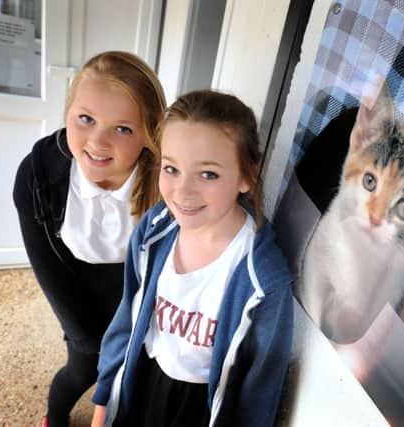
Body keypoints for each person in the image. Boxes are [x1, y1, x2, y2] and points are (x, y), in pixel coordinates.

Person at [90, 89, 294, 427]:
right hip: (142, 382)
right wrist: (102, 404)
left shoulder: (264, 282)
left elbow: (260, 391)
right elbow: (126, 320)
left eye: (208, 174)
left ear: (247, 176)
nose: (183, 191)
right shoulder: (153, 231)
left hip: (200, 407)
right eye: (171, 169)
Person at [12, 51, 166, 427]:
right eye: (86, 119)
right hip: (73, 279)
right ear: (68, 113)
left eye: (123, 128)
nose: (98, 141)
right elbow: (47, 267)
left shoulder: (165, 179)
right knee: (85, 367)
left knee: (135, 367)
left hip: (133, 282)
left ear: (149, 135)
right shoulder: (36, 175)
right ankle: (56, 416)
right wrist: (86, 338)